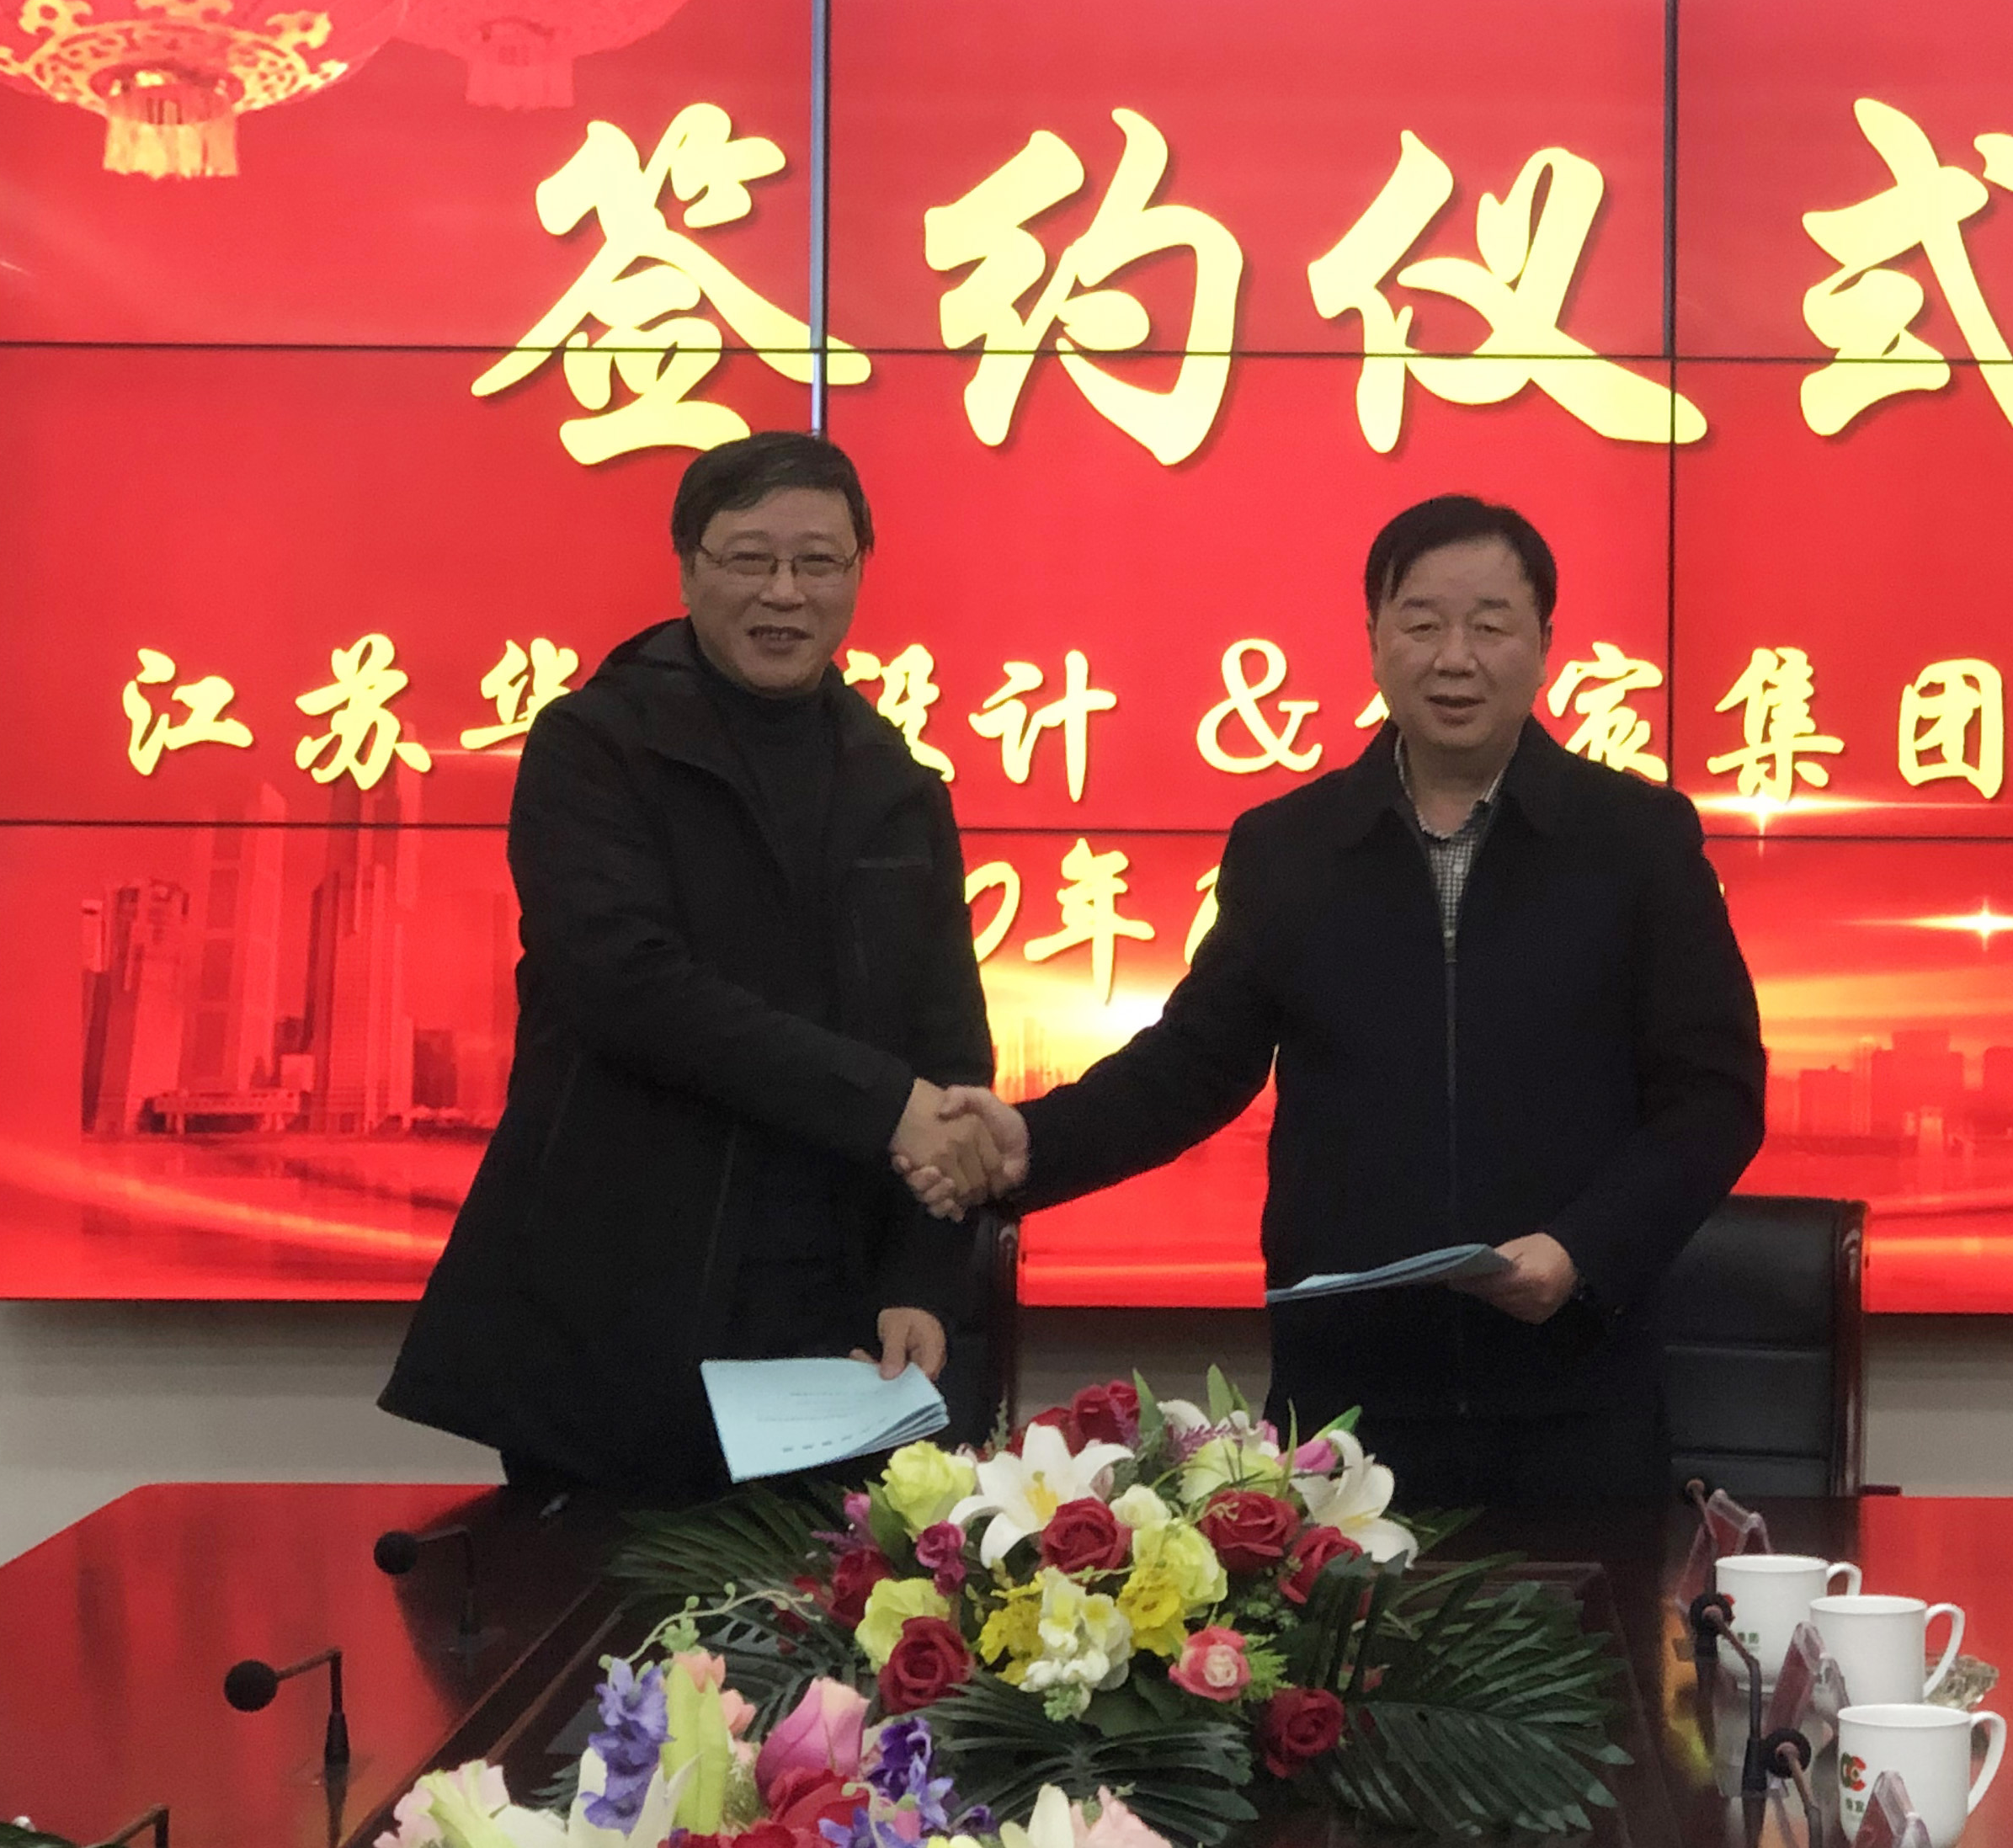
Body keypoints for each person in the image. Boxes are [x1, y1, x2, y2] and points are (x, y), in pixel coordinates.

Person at [928, 495, 1765, 1506]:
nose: (1454, 657)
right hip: (1346, 1409)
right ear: (1372, 639)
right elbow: (1192, 1066)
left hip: (1577, 1398)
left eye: (1489, 625)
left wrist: (1580, 1251)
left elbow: (1713, 1097)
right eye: (1421, 623)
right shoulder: (1291, 847)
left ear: (1545, 645)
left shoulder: (1635, 841)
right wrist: (1030, 1141)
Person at [382, 431, 1016, 1497]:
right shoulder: (595, 744)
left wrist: (921, 1275)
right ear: (687, 567)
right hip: (620, 1298)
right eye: (749, 559)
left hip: (836, 1319)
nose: (785, 593)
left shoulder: (898, 785)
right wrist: (882, 1104)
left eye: (817, 562)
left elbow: (948, 1047)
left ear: (859, 571)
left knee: (838, 1597)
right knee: (601, 1600)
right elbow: (627, 984)